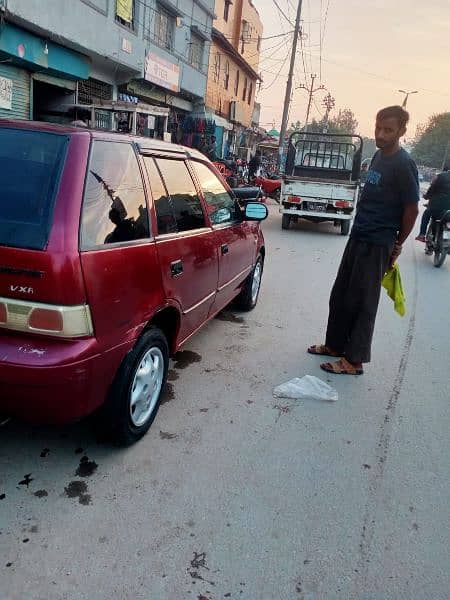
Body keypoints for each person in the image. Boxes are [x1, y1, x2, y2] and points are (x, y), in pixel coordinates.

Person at [308, 106, 419, 375]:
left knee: (363, 301)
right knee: (341, 294)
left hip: (378, 241)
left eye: (388, 130)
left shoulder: (404, 164)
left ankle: (353, 360)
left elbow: (411, 209)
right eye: (378, 127)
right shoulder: (379, 156)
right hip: (359, 235)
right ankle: (335, 345)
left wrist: (398, 244)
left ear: (401, 131)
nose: (381, 134)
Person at [415, 165, 450, 242]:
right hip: (448, 213)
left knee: (426, 213)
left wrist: (426, 196)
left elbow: (432, 189)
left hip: (437, 207)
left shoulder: (440, 176)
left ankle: (422, 234)